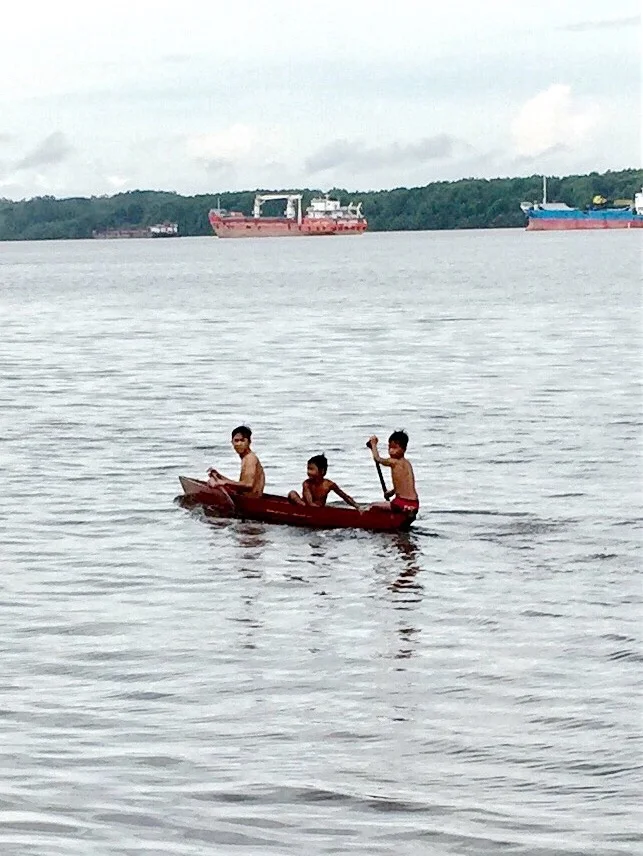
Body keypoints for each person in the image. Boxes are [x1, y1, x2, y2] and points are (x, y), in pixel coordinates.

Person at [367, 430, 419, 516]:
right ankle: (408, 510)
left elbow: (378, 459)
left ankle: (402, 510)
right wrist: (391, 493)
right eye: (389, 448)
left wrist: (373, 445)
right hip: (414, 503)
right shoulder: (407, 464)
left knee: (373, 506)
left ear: (404, 449)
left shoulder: (393, 461)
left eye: (394, 448)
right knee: (395, 506)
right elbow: (402, 483)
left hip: (401, 502)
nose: (391, 451)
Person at [207, 425, 265, 498]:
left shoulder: (250, 458)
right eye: (236, 440)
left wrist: (224, 483)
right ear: (232, 442)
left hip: (251, 501)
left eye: (242, 440)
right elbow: (241, 485)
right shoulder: (245, 458)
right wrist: (220, 477)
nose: (239, 444)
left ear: (249, 442)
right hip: (245, 497)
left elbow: (248, 485)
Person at [288, 454, 360, 509]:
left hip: (319, 508)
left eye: (311, 469)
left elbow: (344, 497)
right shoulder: (307, 483)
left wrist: (357, 506)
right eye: (308, 469)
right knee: (292, 493)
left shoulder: (329, 484)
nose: (308, 472)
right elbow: (310, 503)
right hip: (306, 506)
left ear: (322, 471)